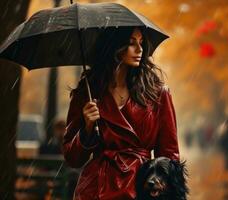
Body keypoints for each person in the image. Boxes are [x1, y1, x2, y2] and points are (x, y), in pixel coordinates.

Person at [63, 26, 180, 200]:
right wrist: (87, 130)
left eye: (141, 43)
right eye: (132, 43)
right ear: (114, 47)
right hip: (95, 189)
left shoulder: (157, 94)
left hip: (141, 187)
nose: (139, 49)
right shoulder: (87, 93)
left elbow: (169, 156)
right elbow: (72, 158)